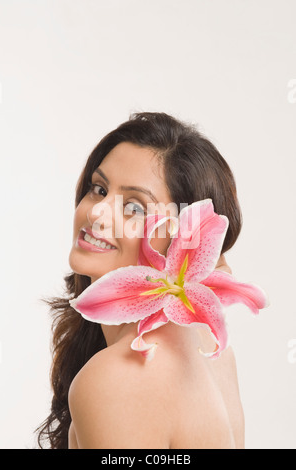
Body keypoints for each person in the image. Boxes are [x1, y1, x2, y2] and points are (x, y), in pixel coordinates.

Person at [37, 112, 244, 449]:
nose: (97, 212)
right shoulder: (209, 349)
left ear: (184, 240)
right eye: (99, 189)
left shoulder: (116, 378)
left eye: (134, 208)